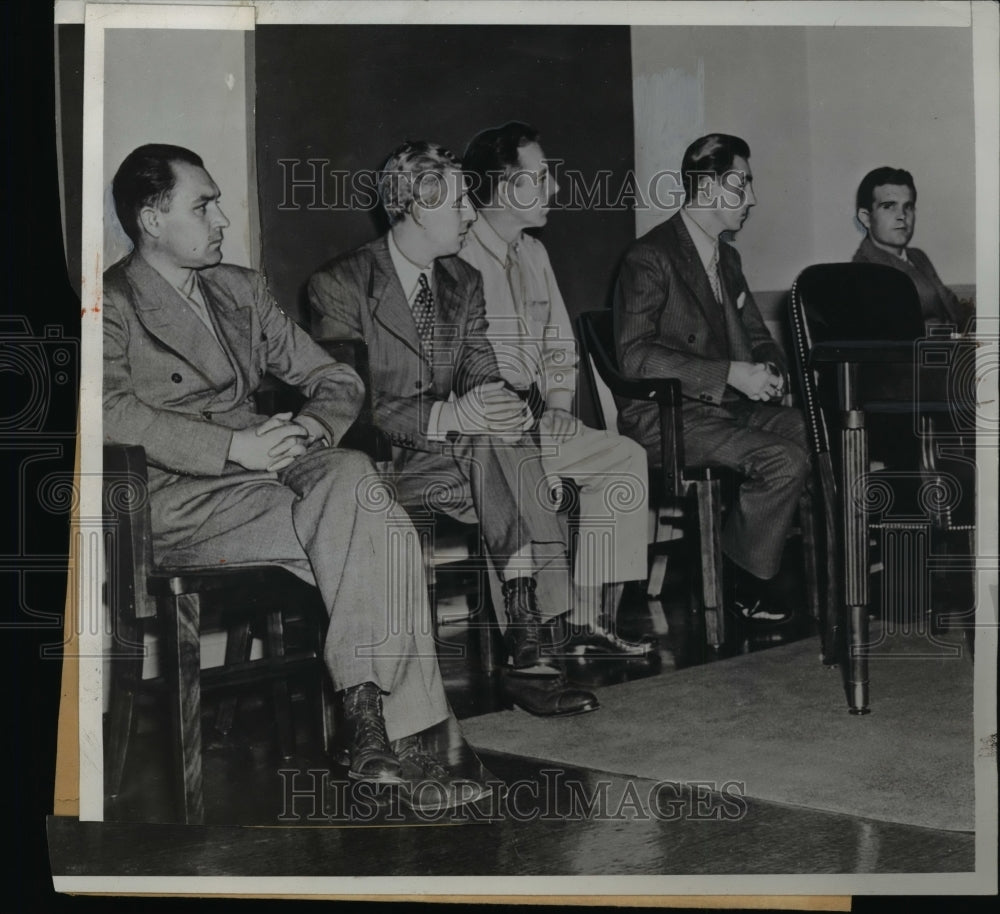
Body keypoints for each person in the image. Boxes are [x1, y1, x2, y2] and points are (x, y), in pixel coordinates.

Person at [103, 143, 486, 813]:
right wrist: (232, 446)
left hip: (271, 479)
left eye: (219, 201)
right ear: (151, 219)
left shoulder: (240, 289)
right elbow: (106, 411)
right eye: (204, 205)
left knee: (360, 487)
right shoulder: (110, 303)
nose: (222, 218)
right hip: (177, 498)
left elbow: (334, 377)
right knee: (379, 523)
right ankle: (399, 737)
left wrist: (309, 430)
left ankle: (368, 725)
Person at [307, 140, 599, 717]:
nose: (472, 213)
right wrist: (446, 416)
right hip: (376, 464)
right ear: (417, 205)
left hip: (456, 459)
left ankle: (527, 636)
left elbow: (475, 358)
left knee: (505, 436)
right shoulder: (339, 285)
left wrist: (497, 396)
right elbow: (350, 402)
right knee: (505, 453)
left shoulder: (460, 277)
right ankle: (534, 642)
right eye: (462, 202)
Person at [459, 121, 654, 658]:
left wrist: (562, 406)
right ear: (504, 188)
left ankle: (589, 623)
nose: (555, 189)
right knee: (519, 476)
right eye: (541, 177)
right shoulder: (458, 254)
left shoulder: (534, 254)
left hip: (536, 420)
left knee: (622, 457)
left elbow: (560, 343)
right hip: (481, 434)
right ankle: (538, 632)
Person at [613, 133, 810, 624]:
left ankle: (754, 562)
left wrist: (771, 372)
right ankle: (744, 578)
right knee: (782, 458)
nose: (753, 197)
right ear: (707, 186)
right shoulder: (650, 256)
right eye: (741, 183)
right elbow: (634, 357)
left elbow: (758, 338)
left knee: (817, 435)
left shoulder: (727, 257)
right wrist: (728, 374)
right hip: (668, 418)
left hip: (722, 410)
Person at [853, 167, 972, 331]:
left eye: (908, 206)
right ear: (866, 217)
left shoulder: (917, 256)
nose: (902, 215)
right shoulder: (866, 270)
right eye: (889, 206)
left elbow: (949, 304)